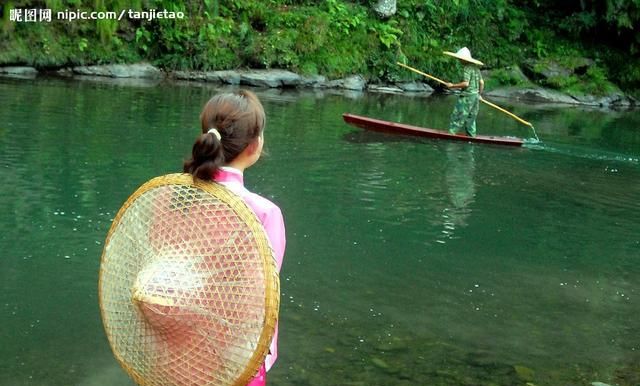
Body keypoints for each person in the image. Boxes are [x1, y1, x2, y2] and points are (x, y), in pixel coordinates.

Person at [183, 89, 286, 386]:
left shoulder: (173, 198)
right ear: (254, 146)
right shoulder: (265, 213)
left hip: (178, 346)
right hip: (237, 355)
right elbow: (262, 293)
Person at [444, 47, 485, 137]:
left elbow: (466, 84)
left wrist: (452, 86)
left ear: (463, 59)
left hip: (467, 97)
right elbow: (481, 82)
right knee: (471, 118)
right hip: (475, 97)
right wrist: (479, 94)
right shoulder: (476, 68)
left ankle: (451, 134)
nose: (459, 60)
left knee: (458, 116)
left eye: (459, 58)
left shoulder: (467, 68)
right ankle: (471, 136)